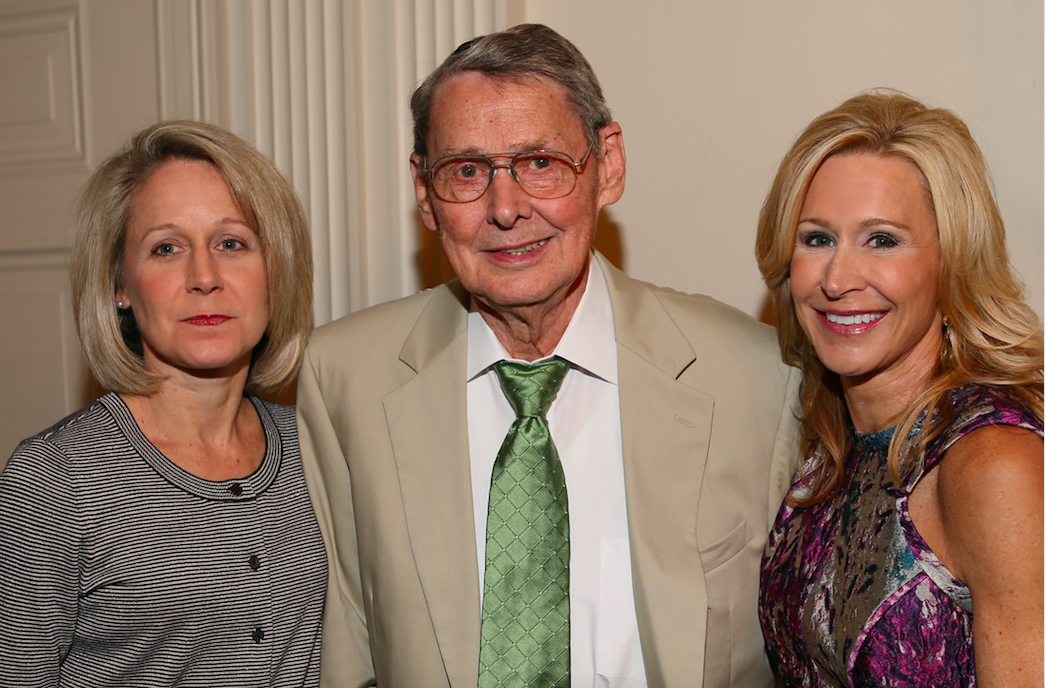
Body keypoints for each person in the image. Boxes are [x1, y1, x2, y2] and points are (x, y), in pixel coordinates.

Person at [298, 23, 800, 687]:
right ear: (424, 192)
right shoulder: (345, 380)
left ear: (608, 165)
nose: (506, 209)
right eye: (466, 171)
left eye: (540, 163)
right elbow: (347, 653)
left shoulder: (757, 377)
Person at [0, 121, 326, 686]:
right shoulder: (53, 479)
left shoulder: (319, 449)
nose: (204, 277)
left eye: (231, 243)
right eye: (166, 248)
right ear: (121, 286)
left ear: (276, 271)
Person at [755, 90, 1044, 687]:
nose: (837, 279)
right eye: (817, 238)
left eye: (882, 239)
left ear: (951, 261)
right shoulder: (824, 440)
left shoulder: (992, 462)